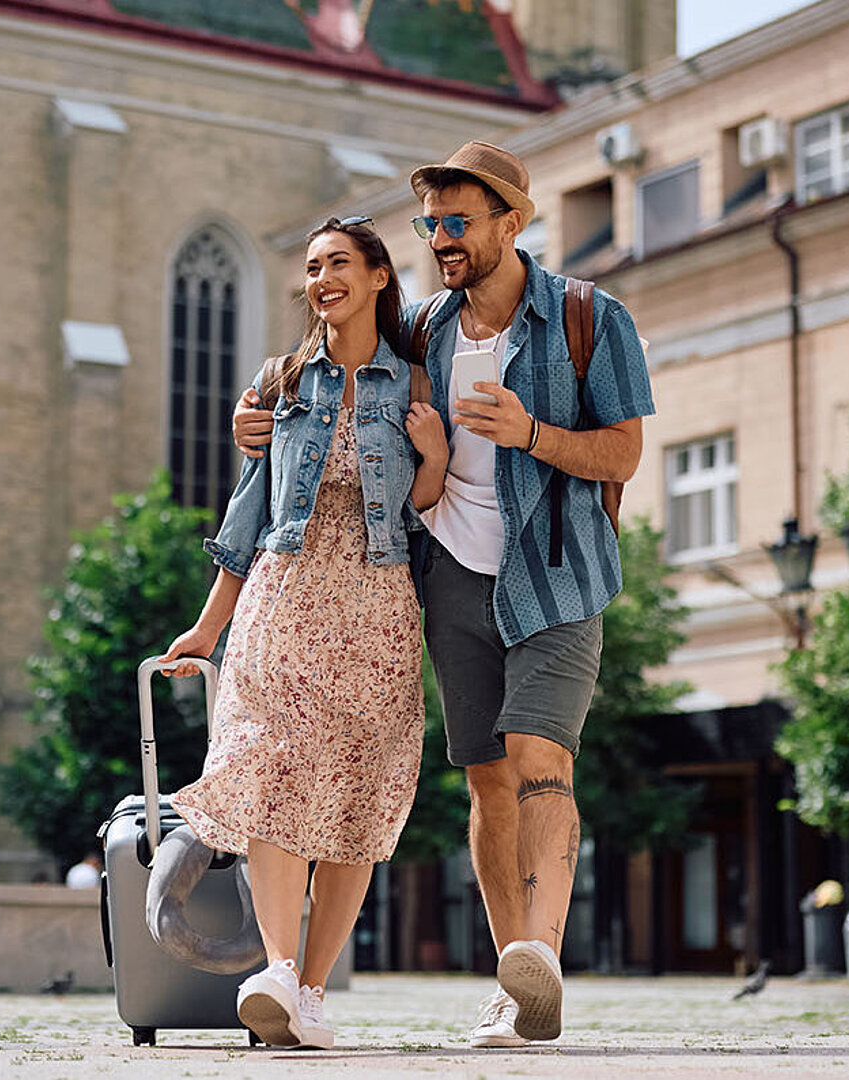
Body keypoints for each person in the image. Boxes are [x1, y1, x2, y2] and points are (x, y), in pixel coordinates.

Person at [233, 142, 654, 1048]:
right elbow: (331, 378)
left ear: (512, 222)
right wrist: (257, 412)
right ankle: (515, 986)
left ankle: (539, 951)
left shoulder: (590, 317)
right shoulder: (422, 328)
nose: (443, 240)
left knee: (541, 755)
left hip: (559, 573)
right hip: (453, 577)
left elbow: (622, 452)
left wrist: (533, 431)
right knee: (488, 780)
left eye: (459, 224)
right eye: (431, 226)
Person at [159, 216, 449, 1051]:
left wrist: (430, 461)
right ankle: (279, 970)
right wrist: (208, 629)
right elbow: (248, 513)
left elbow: (427, 515)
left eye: (338, 265)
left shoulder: (416, 383)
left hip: (377, 606)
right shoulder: (281, 381)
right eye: (312, 268)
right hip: (282, 603)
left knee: (356, 798)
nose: (321, 280)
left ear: (379, 277)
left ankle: (310, 996)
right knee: (271, 777)